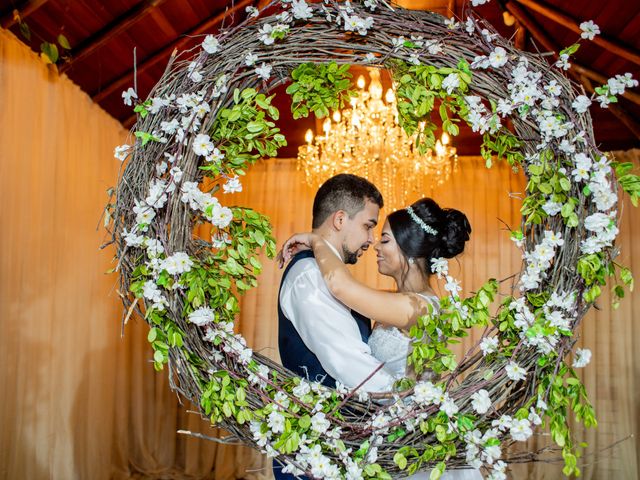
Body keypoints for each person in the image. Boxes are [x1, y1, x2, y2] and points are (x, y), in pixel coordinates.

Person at [280, 197, 482, 479]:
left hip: (408, 436)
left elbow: (339, 285)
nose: (375, 244)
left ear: (408, 251)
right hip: (387, 429)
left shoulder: (418, 308)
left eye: (384, 239)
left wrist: (316, 241)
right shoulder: (397, 301)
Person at [273, 173, 397, 480]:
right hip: (317, 455)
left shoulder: (327, 275)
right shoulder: (308, 276)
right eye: (368, 225)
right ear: (340, 219)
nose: (371, 239)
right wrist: (413, 406)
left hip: (342, 446)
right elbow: (349, 363)